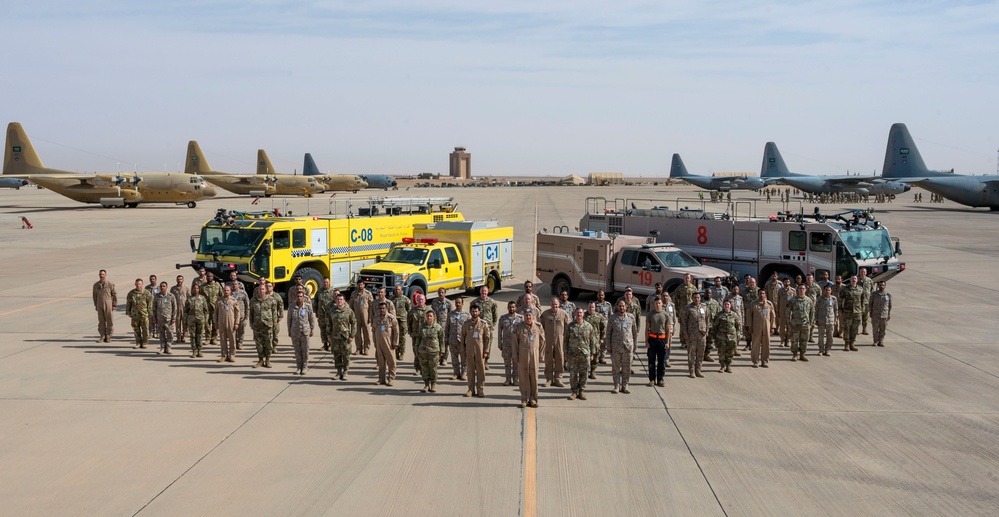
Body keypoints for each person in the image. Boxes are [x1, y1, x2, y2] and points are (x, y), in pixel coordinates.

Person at [513, 310, 544, 408]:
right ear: (523, 316)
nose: (528, 317)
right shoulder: (518, 327)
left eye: (530, 315)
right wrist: (515, 355)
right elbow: (514, 342)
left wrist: (541, 354)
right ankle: (524, 398)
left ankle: (533, 399)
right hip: (523, 354)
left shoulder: (538, 326)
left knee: (534, 377)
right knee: (523, 377)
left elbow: (543, 341)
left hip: (534, 354)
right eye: (526, 315)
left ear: (533, 316)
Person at [565, 308, 597, 401]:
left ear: (583, 314)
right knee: (573, 374)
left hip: (585, 354)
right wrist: (565, 352)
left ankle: (581, 391)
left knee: (584, 373)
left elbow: (592, 341)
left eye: (581, 313)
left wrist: (592, 353)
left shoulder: (588, 326)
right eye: (577, 312)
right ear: (574, 314)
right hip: (573, 354)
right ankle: (574, 392)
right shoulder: (570, 326)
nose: (579, 314)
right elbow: (565, 340)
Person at [461, 305, 491, 397]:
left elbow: (487, 338)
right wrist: (463, 350)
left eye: (476, 311)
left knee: (480, 370)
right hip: (469, 351)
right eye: (473, 311)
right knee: (470, 371)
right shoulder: (466, 324)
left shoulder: (483, 324)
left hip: (480, 351)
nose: (474, 313)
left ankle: (480, 389)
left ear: (479, 312)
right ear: (470, 312)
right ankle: (470, 389)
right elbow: (462, 337)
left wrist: (486, 351)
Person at [607, 300, 635, 393]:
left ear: (626, 307)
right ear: (617, 307)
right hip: (616, 347)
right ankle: (616, 386)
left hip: (628, 347)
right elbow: (608, 333)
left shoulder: (631, 317)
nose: (622, 308)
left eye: (623, 306)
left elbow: (634, 332)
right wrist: (608, 345)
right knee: (616, 367)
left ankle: (625, 385)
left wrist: (635, 345)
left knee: (627, 367)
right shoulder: (613, 318)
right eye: (620, 306)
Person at [540, 298, 569, 387]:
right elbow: (541, 328)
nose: (554, 306)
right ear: (550, 304)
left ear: (559, 305)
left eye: (556, 305)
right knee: (548, 360)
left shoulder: (563, 314)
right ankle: (549, 379)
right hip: (548, 341)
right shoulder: (545, 314)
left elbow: (568, 328)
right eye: (553, 305)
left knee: (560, 359)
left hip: (560, 340)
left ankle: (558, 379)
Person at [287, 290, 316, 375]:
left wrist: (312, 329)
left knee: (305, 350)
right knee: (297, 351)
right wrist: (289, 330)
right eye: (298, 296)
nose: (299, 298)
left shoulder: (307, 306)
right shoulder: (292, 306)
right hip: (295, 331)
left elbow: (311, 319)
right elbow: (289, 320)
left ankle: (305, 367)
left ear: (303, 298)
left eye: (301, 296)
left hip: (305, 331)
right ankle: (298, 367)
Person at [469, 286, 498, 370]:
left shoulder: (492, 302)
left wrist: (493, 325)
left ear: (487, 292)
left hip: (488, 327)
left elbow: (495, 315)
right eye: (482, 292)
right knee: (478, 344)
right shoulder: (474, 302)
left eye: (485, 292)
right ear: (480, 292)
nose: (484, 293)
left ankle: (486, 362)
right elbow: (471, 314)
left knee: (488, 344)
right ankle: (478, 361)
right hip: (478, 328)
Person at [329, 294, 357, 380]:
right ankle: (338, 372)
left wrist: (352, 335)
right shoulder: (332, 311)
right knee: (337, 356)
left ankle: (345, 372)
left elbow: (354, 323)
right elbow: (328, 324)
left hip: (345, 337)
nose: (339, 301)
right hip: (335, 337)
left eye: (341, 299)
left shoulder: (349, 311)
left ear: (344, 300)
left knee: (346, 356)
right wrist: (328, 335)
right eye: (338, 299)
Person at [372, 302, 399, 385]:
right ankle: (381, 379)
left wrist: (395, 342)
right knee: (381, 361)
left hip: (389, 343)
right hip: (379, 343)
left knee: (391, 361)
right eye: (380, 308)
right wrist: (375, 341)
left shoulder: (391, 318)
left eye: (383, 308)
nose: (381, 310)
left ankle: (391, 378)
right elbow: (373, 330)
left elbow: (396, 331)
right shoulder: (376, 318)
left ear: (387, 309)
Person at [682, 292, 708, 378]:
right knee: (691, 353)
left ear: (700, 298)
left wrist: (707, 330)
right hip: (691, 334)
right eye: (695, 298)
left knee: (701, 353)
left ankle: (698, 370)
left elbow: (707, 320)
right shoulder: (688, 308)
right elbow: (684, 322)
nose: (696, 299)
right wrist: (685, 333)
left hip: (702, 334)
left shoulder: (704, 307)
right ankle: (692, 371)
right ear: (692, 298)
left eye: (698, 297)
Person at [418, 310, 445, 393]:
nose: (429, 318)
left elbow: (441, 339)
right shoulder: (422, 327)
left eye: (431, 316)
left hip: (434, 352)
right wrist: (416, 349)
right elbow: (418, 339)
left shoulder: (438, 327)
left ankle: (433, 384)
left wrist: (442, 350)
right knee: (424, 368)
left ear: (434, 317)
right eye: (428, 316)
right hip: (423, 351)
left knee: (433, 369)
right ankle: (426, 385)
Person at [747, 290, 776, 368]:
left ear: (765, 294)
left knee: (766, 344)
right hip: (756, 326)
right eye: (760, 294)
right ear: (758, 294)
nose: (761, 295)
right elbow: (749, 316)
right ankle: (755, 361)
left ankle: (764, 361)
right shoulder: (753, 304)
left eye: (763, 293)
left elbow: (773, 316)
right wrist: (749, 326)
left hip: (767, 326)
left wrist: (772, 327)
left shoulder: (769, 304)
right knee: (755, 344)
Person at [645, 298, 670, 386]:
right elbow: (647, 328)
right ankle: (652, 379)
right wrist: (646, 341)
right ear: (654, 304)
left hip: (662, 339)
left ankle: (660, 379)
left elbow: (667, 330)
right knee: (651, 361)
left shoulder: (665, 315)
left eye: (659, 303)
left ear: (662, 303)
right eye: (656, 303)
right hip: (652, 339)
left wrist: (667, 342)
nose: (657, 304)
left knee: (661, 360)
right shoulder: (650, 314)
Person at [497, 301, 523, 386]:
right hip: (506, 345)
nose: (511, 309)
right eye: (510, 307)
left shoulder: (520, 318)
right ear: (507, 308)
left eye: (513, 307)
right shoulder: (502, 318)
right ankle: (508, 379)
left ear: (515, 308)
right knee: (507, 363)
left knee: (516, 363)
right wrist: (500, 343)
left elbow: (522, 332)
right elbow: (499, 332)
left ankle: (516, 379)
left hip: (517, 345)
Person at [445, 297, 471, 380]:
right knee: (454, 358)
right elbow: (447, 327)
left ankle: (464, 373)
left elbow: (470, 328)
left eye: (459, 302)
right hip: (453, 340)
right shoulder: (450, 314)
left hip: (463, 340)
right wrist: (446, 338)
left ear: (462, 304)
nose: (458, 304)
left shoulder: (467, 315)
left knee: (464, 358)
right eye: (456, 302)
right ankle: (456, 373)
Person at [250, 285, 276, 368]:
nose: (261, 290)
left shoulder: (271, 300)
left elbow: (274, 313)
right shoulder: (253, 300)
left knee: (268, 344)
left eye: (263, 289)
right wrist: (251, 324)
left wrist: (274, 324)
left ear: (265, 290)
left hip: (267, 325)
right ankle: (260, 360)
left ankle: (268, 360)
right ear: (257, 291)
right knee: (259, 344)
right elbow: (251, 313)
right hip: (257, 326)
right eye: (259, 289)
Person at [710, 300, 740, 373]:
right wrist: (713, 336)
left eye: (728, 304)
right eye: (725, 304)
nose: (727, 306)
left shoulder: (734, 315)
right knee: (721, 352)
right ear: (723, 306)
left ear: (730, 305)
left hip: (732, 337)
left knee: (730, 352)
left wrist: (738, 335)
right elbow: (715, 326)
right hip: (721, 337)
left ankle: (728, 366)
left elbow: (738, 326)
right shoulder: (719, 315)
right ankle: (722, 366)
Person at [787, 284, 814, 362]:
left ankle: (802, 354)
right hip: (795, 324)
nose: (801, 290)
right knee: (794, 340)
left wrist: (811, 323)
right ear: (797, 290)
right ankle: (794, 355)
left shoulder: (809, 300)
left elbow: (812, 312)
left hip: (805, 324)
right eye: (800, 289)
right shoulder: (792, 300)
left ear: (805, 290)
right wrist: (788, 322)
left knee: (804, 340)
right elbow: (788, 312)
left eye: (803, 289)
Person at [214, 285, 240, 363]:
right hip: (221, 322)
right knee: (222, 339)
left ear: (230, 291)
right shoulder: (219, 301)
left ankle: (232, 355)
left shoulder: (233, 300)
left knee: (232, 339)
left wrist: (237, 322)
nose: (226, 292)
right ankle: (224, 356)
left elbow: (237, 313)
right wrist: (215, 322)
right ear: (222, 291)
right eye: (225, 290)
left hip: (231, 322)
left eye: (228, 290)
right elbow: (215, 313)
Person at [185, 283, 210, 357]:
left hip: (200, 319)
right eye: (194, 288)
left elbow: (206, 310)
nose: (195, 290)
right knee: (192, 335)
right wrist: (185, 320)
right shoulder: (189, 299)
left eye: (197, 288)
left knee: (200, 335)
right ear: (192, 289)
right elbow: (186, 311)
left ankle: (200, 350)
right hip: (191, 319)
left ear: (199, 289)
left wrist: (206, 319)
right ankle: (194, 351)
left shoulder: (202, 298)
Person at [125, 278, 152, 349]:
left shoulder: (146, 293)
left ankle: (145, 342)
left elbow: (150, 303)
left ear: (142, 284)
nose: (138, 285)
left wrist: (150, 313)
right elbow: (128, 303)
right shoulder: (131, 293)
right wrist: (128, 312)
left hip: (144, 314)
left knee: (145, 329)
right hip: (135, 314)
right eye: (137, 284)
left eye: (139, 284)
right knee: (136, 329)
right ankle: (138, 342)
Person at [152, 281, 178, 354]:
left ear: (166, 287)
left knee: (170, 334)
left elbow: (174, 307)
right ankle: (162, 348)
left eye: (164, 286)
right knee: (161, 334)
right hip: (160, 319)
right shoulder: (157, 296)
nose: (162, 287)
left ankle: (169, 347)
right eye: (161, 286)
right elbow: (154, 308)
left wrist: (174, 317)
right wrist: (154, 318)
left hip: (168, 319)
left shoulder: (171, 296)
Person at [839, 275, 864, 352]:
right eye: (852, 278)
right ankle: (846, 344)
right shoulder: (845, 288)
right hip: (847, 311)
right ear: (850, 280)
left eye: (855, 279)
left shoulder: (860, 289)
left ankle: (852, 344)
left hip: (857, 312)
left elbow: (862, 300)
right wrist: (840, 309)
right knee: (847, 328)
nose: (854, 280)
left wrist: (862, 310)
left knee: (855, 329)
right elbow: (840, 298)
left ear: (857, 280)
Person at [92, 269, 117, 343]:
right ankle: (102, 336)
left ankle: (109, 335)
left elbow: (114, 294)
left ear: (105, 275)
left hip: (108, 303)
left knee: (109, 320)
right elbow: (94, 295)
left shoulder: (110, 284)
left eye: (103, 274)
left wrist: (114, 304)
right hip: (99, 304)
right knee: (101, 320)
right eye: (100, 274)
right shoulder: (96, 285)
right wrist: (96, 304)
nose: (101, 276)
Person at [584, 302, 607, 379]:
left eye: (593, 307)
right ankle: (585, 371)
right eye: (590, 307)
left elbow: (603, 328)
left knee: (596, 356)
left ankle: (593, 371)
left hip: (596, 340)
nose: (591, 309)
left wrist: (602, 338)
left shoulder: (599, 316)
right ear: (587, 307)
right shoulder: (583, 315)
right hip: (585, 340)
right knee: (585, 356)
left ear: (595, 308)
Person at [430, 288, 453, 365]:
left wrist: (449, 327)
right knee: (436, 343)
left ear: (445, 293)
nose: (440, 294)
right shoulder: (434, 302)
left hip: (445, 326)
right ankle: (438, 358)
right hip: (436, 326)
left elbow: (451, 315)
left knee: (445, 343)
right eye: (439, 292)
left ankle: (444, 359)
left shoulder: (448, 303)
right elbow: (432, 313)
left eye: (442, 292)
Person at [673, 275, 697, 347]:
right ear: (683, 278)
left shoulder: (693, 288)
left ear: (690, 279)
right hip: (682, 309)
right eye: (685, 278)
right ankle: (683, 342)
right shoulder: (679, 288)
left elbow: (696, 297)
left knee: (691, 325)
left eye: (688, 278)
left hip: (691, 309)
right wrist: (676, 307)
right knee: (683, 325)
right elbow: (675, 298)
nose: (687, 279)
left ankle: (690, 341)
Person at [815, 284, 838, 356]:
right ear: (823, 290)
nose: (827, 291)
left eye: (829, 290)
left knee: (830, 336)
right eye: (826, 290)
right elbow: (816, 309)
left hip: (830, 320)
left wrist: (835, 320)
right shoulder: (819, 299)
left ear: (831, 291)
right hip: (821, 320)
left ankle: (827, 350)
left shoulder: (834, 299)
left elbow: (836, 310)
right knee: (821, 337)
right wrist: (816, 319)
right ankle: (821, 350)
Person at [201, 272, 222, 346]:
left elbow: (221, 295)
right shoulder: (203, 286)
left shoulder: (217, 285)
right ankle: (207, 338)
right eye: (208, 276)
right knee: (207, 324)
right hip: (206, 308)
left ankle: (214, 338)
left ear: (213, 277)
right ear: (206, 277)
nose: (209, 278)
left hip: (215, 308)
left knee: (215, 323)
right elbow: (200, 297)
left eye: (211, 276)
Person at [869, 281, 892, 347]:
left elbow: (890, 305)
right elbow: (870, 304)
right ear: (878, 286)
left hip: (884, 314)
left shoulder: (887, 295)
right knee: (875, 328)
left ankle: (881, 341)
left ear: (885, 286)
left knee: (883, 328)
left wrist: (889, 314)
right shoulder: (874, 294)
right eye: (880, 285)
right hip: (875, 314)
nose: (882, 286)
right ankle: (875, 341)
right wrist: (870, 312)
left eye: (883, 285)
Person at [408, 292, 427, 374]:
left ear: (425, 300)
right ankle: (417, 369)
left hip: (425, 336)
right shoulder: (412, 310)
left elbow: (434, 322)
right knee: (416, 351)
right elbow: (409, 322)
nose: (421, 301)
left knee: (425, 352)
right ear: (417, 301)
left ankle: (424, 368)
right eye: (419, 300)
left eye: (422, 299)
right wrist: (410, 332)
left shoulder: (429, 310)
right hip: (415, 335)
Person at [392, 285, 412, 361]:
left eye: (399, 289)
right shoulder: (392, 299)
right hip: (395, 320)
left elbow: (409, 309)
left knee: (402, 338)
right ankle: (396, 352)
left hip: (403, 320)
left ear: (401, 290)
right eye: (396, 289)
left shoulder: (405, 299)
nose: (397, 291)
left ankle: (402, 353)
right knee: (395, 336)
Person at [315, 278, 335, 351]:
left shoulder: (333, 291)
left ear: (329, 283)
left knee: (330, 329)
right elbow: (316, 301)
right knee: (322, 329)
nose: (325, 284)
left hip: (330, 314)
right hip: (321, 314)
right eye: (324, 282)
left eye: (327, 282)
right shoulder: (319, 291)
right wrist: (316, 312)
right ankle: (324, 344)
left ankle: (331, 344)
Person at [265, 282, 284, 353]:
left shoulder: (276, 296)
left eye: (270, 286)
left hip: (275, 317)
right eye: (267, 286)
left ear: (272, 287)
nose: (268, 287)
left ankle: (274, 346)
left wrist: (280, 315)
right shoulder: (264, 295)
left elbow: (281, 305)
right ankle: (268, 347)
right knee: (267, 333)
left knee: (275, 332)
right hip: (266, 318)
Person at [171, 275, 190, 343]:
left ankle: (184, 336)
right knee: (177, 324)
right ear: (176, 280)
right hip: (177, 309)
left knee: (185, 323)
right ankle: (178, 337)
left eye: (181, 279)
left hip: (184, 308)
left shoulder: (186, 288)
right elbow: (171, 299)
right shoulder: (173, 289)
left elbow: (189, 298)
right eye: (178, 279)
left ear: (183, 280)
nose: (179, 280)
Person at [858, 269, 874, 335]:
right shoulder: (857, 280)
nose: (863, 273)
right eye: (861, 272)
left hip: (866, 301)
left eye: (864, 272)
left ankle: (864, 329)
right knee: (858, 316)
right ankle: (856, 329)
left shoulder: (869, 280)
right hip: (858, 301)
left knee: (865, 316)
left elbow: (872, 290)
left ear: (866, 273)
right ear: (859, 272)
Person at [146, 274, 158, 339]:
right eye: (151, 279)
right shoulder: (147, 288)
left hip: (157, 306)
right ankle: (150, 332)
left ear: (156, 280)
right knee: (150, 320)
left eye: (153, 279)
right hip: (150, 306)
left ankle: (157, 333)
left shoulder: (159, 287)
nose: (152, 280)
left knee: (157, 319)